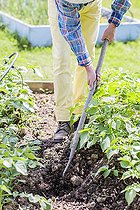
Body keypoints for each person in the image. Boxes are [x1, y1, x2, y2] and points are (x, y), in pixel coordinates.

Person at [48, 0, 131, 142]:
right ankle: (64, 120)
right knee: (62, 58)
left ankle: (80, 113)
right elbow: (71, 31)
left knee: (89, 51)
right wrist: (88, 66)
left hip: (92, 4)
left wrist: (113, 25)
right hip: (63, 7)